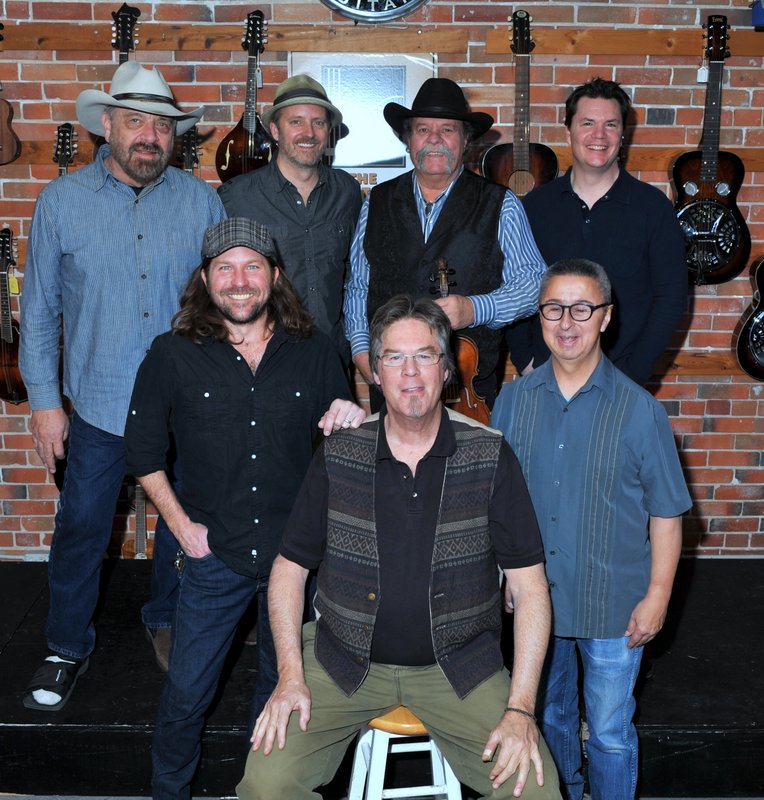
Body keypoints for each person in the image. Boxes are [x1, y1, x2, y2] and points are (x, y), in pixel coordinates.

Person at [237, 295, 562, 800]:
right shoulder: (340, 453)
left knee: (536, 790)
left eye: (425, 355)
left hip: (460, 668)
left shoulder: (490, 455)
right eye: (393, 357)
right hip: (340, 662)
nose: (410, 372)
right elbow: (288, 569)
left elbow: (531, 590)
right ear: (375, 372)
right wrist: (290, 677)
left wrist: (521, 708)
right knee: (265, 783)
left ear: (447, 368)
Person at [123, 218, 365, 800]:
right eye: (225, 268)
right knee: (186, 694)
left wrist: (353, 418)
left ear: (274, 276)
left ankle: (263, 791)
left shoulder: (312, 351)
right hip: (215, 555)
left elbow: (346, 443)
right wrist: (182, 529)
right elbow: (142, 451)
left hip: (297, 558)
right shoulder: (172, 354)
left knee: (282, 689)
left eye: (252, 266)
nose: (239, 280)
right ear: (205, 280)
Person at [19, 60, 226, 711]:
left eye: (161, 126)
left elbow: (231, 301)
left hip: (185, 405)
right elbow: (41, 312)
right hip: (100, 404)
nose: (149, 136)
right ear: (106, 125)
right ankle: (64, 647)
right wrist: (47, 407)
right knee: (81, 524)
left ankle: (166, 618)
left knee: (182, 523)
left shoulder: (201, 202)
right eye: (135, 121)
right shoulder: (60, 203)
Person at [492, 259, 692, 800]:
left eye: (582, 308)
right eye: (554, 308)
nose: (567, 322)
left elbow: (668, 514)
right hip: (540, 606)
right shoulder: (513, 402)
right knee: (551, 721)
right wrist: (503, 576)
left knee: (606, 734)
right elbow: (496, 502)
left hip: (615, 606)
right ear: (540, 317)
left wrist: (658, 596)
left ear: (605, 317)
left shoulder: (640, 411)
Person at [343, 77, 546, 409]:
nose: (434, 139)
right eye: (423, 130)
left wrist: (476, 309)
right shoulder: (375, 202)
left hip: (467, 392)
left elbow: (534, 284)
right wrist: (363, 353)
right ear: (407, 139)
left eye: (448, 130)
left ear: (465, 141)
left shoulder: (501, 203)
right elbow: (357, 287)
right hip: (393, 387)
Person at [506, 77, 687, 386]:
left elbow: (670, 298)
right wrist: (526, 361)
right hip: (544, 378)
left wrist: (634, 373)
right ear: (569, 131)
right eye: (587, 122)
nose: (599, 135)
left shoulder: (653, 208)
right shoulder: (534, 207)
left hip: (621, 381)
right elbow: (513, 287)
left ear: (623, 135)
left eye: (611, 125)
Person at [218, 74, 363, 366]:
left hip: (331, 358)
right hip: (263, 360)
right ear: (274, 130)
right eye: (296, 121)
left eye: (318, 122)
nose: (308, 133)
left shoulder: (347, 192)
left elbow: (355, 275)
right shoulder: (236, 198)